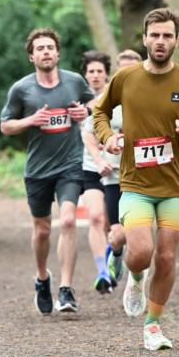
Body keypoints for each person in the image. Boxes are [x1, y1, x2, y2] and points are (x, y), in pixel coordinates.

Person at [93, 8, 179, 350]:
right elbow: (100, 111)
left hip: (174, 187)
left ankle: (152, 325)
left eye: (167, 35)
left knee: (165, 256)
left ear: (176, 40)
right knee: (141, 252)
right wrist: (107, 136)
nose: (161, 41)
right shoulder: (126, 78)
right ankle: (136, 277)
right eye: (155, 35)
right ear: (145, 38)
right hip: (135, 183)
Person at [0, 27, 94, 315]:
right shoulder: (21, 89)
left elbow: (94, 101)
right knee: (42, 230)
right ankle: (42, 278)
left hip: (70, 164)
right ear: (32, 57)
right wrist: (30, 121)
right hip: (38, 169)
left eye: (50, 47)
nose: (45, 52)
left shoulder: (74, 81)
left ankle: (66, 289)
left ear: (58, 53)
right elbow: (5, 126)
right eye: (40, 48)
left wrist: (86, 112)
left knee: (68, 221)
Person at [81, 49, 143, 288]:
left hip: (144, 176)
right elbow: (88, 132)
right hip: (115, 176)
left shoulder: (152, 98)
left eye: (132, 69)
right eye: (123, 69)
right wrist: (99, 159)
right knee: (117, 232)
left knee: (140, 231)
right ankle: (116, 252)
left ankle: (137, 282)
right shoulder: (108, 99)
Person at [79, 51, 115, 293]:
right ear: (85, 75)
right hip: (90, 166)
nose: (95, 75)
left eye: (99, 71)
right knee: (95, 217)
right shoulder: (76, 100)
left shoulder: (116, 98)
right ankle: (102, 272)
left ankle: (114, 257)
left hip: (115, 168)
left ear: (106, 74)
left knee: (112, 225)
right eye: (91, 71)